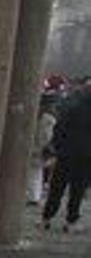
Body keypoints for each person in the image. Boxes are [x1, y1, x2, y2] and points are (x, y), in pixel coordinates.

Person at [43, 83, 91, 233]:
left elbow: (59, 128)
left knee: (57, 186)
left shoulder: (72, 107)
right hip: (86, 156)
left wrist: (57, 147)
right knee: (77, 189)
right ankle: (70, 220)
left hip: (66, 153)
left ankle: (47, 217)